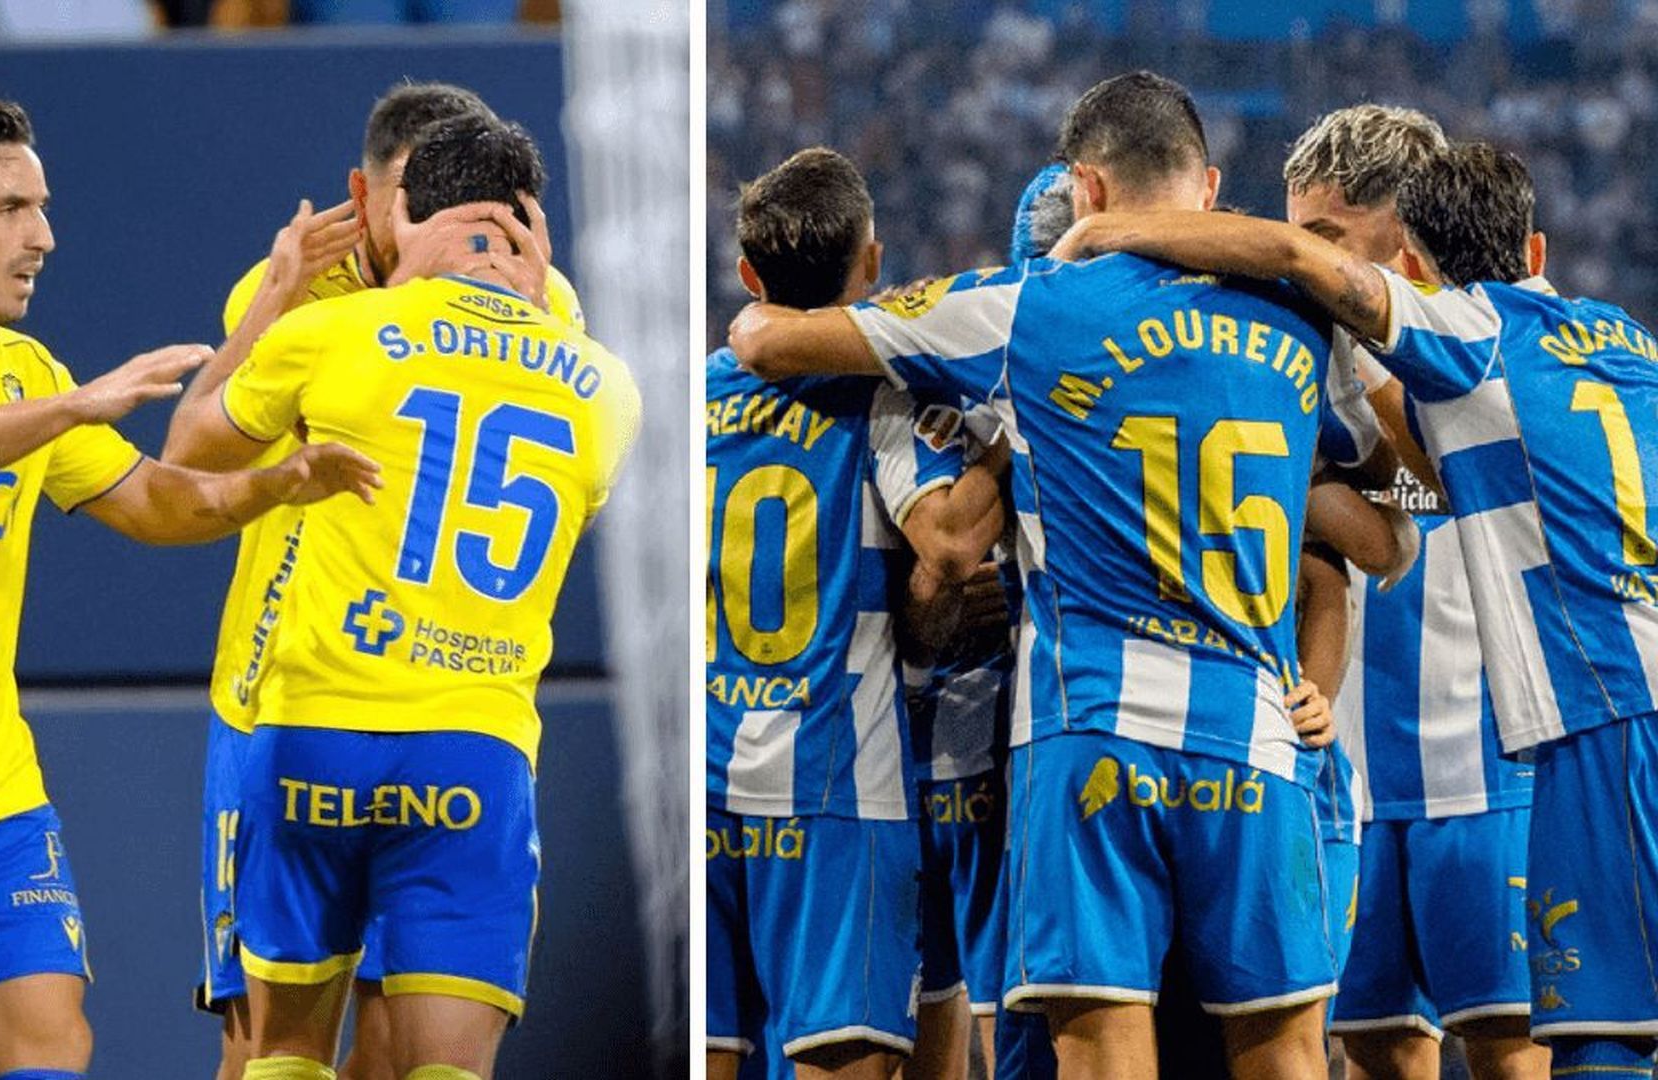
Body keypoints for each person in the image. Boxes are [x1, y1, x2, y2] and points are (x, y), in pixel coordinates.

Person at [728, 71, 1361, 1080]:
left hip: (1086, 732)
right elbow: (1382, 517)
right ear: (1208, 187)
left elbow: (770, 339)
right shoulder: (1301, 320)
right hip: (1253, 733)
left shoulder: (1025, 309)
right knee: (1284, 1050)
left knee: (1095, 1045)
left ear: (1086, 190)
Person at [0, 97, 376, 1080]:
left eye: (42, 208)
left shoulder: (26, 372)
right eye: (11, 208)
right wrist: (76, 406)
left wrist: (277, 483)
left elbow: (157, 502)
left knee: (55, 1042)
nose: (43, 237)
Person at [1054, 139, 1658, 1080]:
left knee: (1597, 1042)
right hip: (1580, 712)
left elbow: (1296, 261)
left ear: (1408, 259)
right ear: (1536, 250)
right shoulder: (1625, 337)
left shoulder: (1467, 332)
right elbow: (1421, 482)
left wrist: (1110, 232)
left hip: (1603, 717)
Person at [169, 112, 637, 1080]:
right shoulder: (604, 381)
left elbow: (188, 459)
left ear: (404, 210)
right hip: (472, 743)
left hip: (309, 721)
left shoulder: (321, 327)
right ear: (526, 222)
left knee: (291, 1053)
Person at [705, 146, 1009, 1080]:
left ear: (749, 276)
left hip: (707, 771)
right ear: (872, 264)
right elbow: (949, 547)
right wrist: (1010, 443)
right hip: (836, 784)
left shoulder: (697, 396)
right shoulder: (883, 396)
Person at [1280, 106, 1544, 1080]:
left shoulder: (1491, 351)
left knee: (1511, 1047)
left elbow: (1437, 490)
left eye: (1326, 238)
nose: (1306, 265)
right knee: (1375, 1045)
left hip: (1486, 769)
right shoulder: (1304, 359)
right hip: (1353, 773)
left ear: (1404, 231)